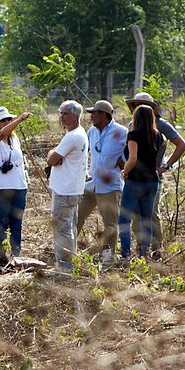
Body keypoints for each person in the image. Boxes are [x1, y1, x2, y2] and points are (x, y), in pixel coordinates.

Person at [124, 92, 185, 258]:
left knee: (151, 214)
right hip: (134, 178)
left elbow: (181, 145)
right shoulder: (132, 125)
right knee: (137, 215)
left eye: (139, 105)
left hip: (152, 179)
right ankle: (141, 250)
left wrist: (165, 166)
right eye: (134, 105)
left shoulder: (161, 125)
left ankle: (156, 249)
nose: (135, 108)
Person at [76, 100, 128, 260]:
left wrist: (122, 164)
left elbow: (130, 155)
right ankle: (67, 250)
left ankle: (107, 257)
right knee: (76, 217)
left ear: (104, 115)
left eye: (95, 113)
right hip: (91, 184)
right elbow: (85, 152)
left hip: (110, 186)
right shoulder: (92, 131)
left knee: (110, 224)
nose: (92, 116)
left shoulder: (122, 132)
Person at [0, 106, 33, 266]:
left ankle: (16, 257)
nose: (7, 122)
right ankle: (2, 258)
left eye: (9, 119)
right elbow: (2, 134)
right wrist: (20, 119)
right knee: (1, 224)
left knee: (17, 224)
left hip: (18, 187)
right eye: (3, 120)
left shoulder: (14, 139)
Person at [46, 100, 88, 272]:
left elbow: (51, 159)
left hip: (65, 190)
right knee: (69, 226)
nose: (61, 117)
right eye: (60, 113)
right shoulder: (78, 133)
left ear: (76, 116)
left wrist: (52, 154)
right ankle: (70, 264)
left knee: (63, 229)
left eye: (65, 114)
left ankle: (65, 268)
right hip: (71, 188)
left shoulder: (72, 136)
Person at [118, 105, 164, 259]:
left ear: (135, 118)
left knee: (124, 219)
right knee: (146, 219)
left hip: (135, 182)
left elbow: (132, 159)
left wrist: (125, 171)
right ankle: (144, 254)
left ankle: (125, 254)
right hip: (152, 182)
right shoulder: (158, 135)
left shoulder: (133, 135)